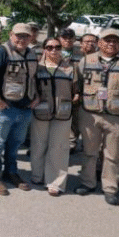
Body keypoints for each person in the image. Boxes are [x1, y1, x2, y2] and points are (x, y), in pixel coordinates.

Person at [75, 28, 119, 205]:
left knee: (113, 155)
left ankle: (110, 188)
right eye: (107, 40)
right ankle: (87, 183)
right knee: (89, 152)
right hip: (90, 115)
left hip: (118, 118)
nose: (111, 44)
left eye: (115, 41)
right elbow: (79, 83)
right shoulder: (86, 61)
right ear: (99, 42)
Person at [0, 23, 39, 196]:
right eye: (18, 35)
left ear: (31, 38)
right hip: (5, 108)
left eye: (25, 36)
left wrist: (37, 97)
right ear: (11, 35)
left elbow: (35, 77)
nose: (21, 39)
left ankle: (11, 172)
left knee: (15, 144)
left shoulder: (31, 53)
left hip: (25, 108)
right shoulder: (2, 51)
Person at [31, 38, 76, 196]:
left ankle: (55, 182)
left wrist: (72, 98)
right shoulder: (37, 66)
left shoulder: (70, 68)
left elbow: (76, 89)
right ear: (44, 49)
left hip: (62, 113)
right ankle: (37, 176)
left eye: (57, 47)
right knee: (38, 145)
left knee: (59, 148)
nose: (53, 50)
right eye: (49, 47)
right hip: (41, 112)